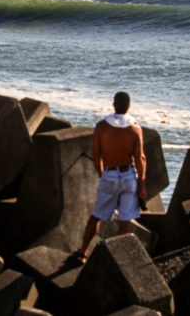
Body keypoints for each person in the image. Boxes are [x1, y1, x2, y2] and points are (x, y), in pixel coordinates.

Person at [74, 91, 147, 262]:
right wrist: (142, 184)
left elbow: (96, 155)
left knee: (97, 215)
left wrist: (103, 175)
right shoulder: (135, 128)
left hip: (110, 174)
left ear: (114, 104)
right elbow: (140, 158)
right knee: (125, 220)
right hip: (128, 175)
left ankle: (83, 251)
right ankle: (117, 258)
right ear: (129, 106)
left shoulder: (101, 127)